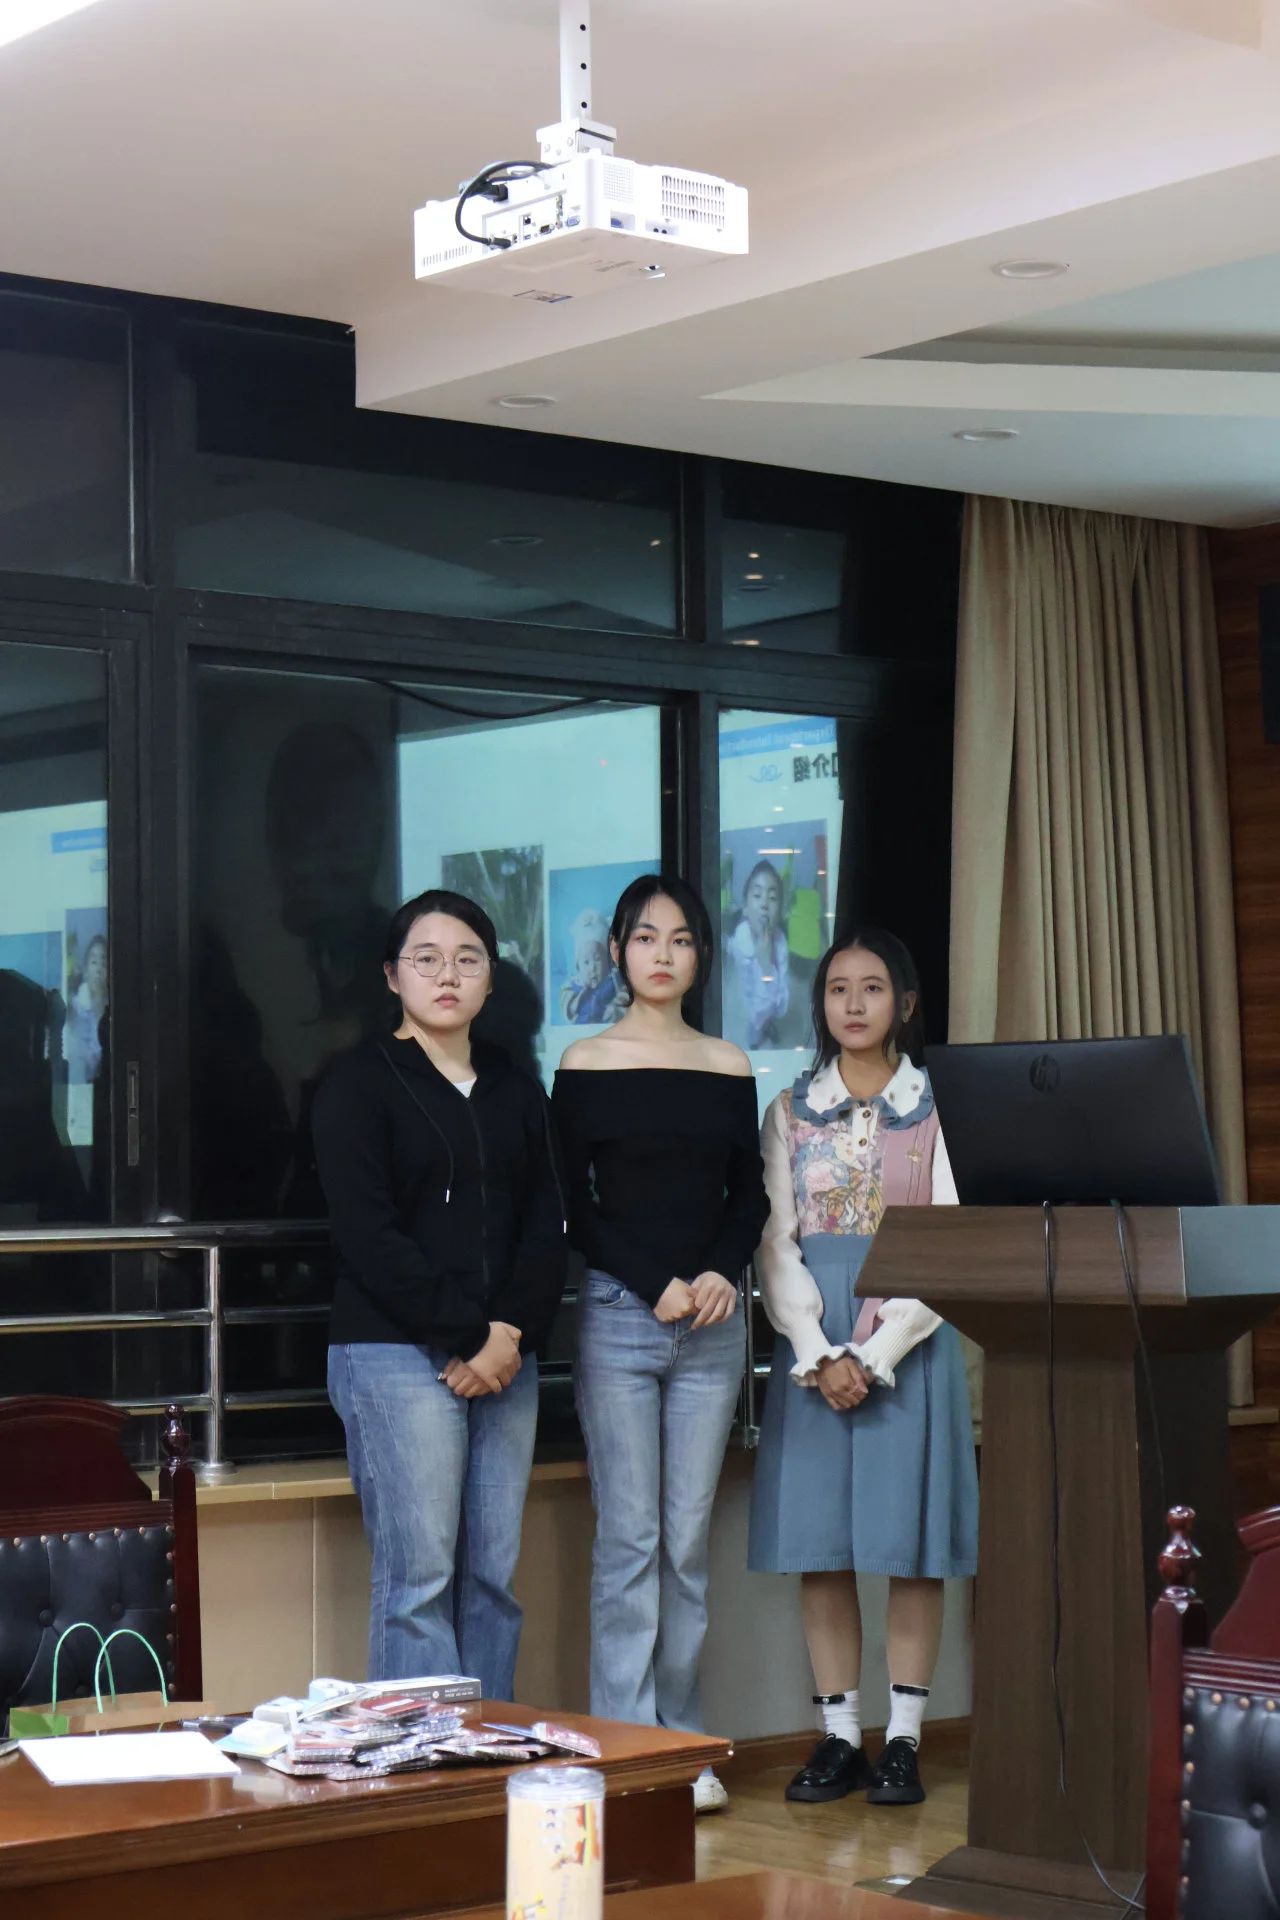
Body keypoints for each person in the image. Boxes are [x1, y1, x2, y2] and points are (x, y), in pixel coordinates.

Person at [312, 888, 568, 1697]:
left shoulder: (516, 1087)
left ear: (490, 978)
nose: (447, 976)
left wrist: (509, 1333)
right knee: (418, 1580)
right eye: (426, 959)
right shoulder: (356, 1084)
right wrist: (470, 1335)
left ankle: (484, 1756)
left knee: (492, 1578)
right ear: (393, 976)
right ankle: (420, 1764)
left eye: (467, 960)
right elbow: (369, 1236)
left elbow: (547, 1224)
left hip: (505, 1359)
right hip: (391, 1351)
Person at [552, 875, 769, 1815]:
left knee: (684, 1545)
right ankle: (624, 1750)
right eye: (645, 938)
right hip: (618, 1318)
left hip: (713, 1329)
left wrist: (721, 1269)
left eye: (681, 939)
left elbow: (749, 1196)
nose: (663, 954)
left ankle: (683, 1749)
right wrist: (655, 1282)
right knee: (630, 1541)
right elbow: (574, 1205)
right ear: (617, 952)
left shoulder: (727, 1063)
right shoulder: (584, 1061)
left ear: (700, 956)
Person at [747, 928, 978, 1809]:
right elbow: (776, 1241)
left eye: (872, 987)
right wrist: (817, 1352)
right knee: (824, 1546)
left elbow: (949, 1240)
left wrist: (876, 1353)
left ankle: (905, 1739)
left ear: (905, 1003)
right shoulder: (789, 1110)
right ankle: (840, 1736)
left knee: (909, 1548)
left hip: (912, 1338)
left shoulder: (939, 1108)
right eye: (837, 987)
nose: (852, 1003)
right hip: (813, 1345)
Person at [727, 861, 790, 1049]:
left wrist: (768, 968)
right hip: (753, 1011)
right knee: (755, 1031)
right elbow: (752, 1006)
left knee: (769, 1017)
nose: (764, 904)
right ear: (745, 908)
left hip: (770, 1006)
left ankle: (767, 1026)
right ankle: (756, 1037)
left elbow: (782, 1007)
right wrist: (765, 968)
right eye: (757, 895)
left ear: (780, 912)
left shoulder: (780, 943)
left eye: (772, 897)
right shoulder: (741, 943)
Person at [559, 909, 621, 1026]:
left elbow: (626, 997)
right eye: (586, 962)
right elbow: (564, 1000)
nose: (592, 967)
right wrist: (574, 1003)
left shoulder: (614, 981)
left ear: (607, 961)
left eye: (597, 959)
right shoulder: (574, 985)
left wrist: (616, 1009)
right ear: (578, 966)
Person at [63, 932, 108, 1083]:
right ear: (86, 968)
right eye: (94, 962)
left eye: (104, 963)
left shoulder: (112, 1011)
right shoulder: (73, 1009)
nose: (99, 969)